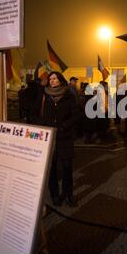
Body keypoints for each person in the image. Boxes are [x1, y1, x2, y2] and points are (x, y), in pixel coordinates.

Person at [34, 72, 79, 207]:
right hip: (48, 137)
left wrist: (65, 126)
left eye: (54, 78)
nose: (52, 81)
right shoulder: (44, 95)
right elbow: (35, 113)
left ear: (60, 80)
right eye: (50, 79)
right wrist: (43, 126)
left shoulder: (69, 95)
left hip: (64, 136)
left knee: (66, 167)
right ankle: (54, 195)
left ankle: (68, 195)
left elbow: (76, 115)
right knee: (51, 168)